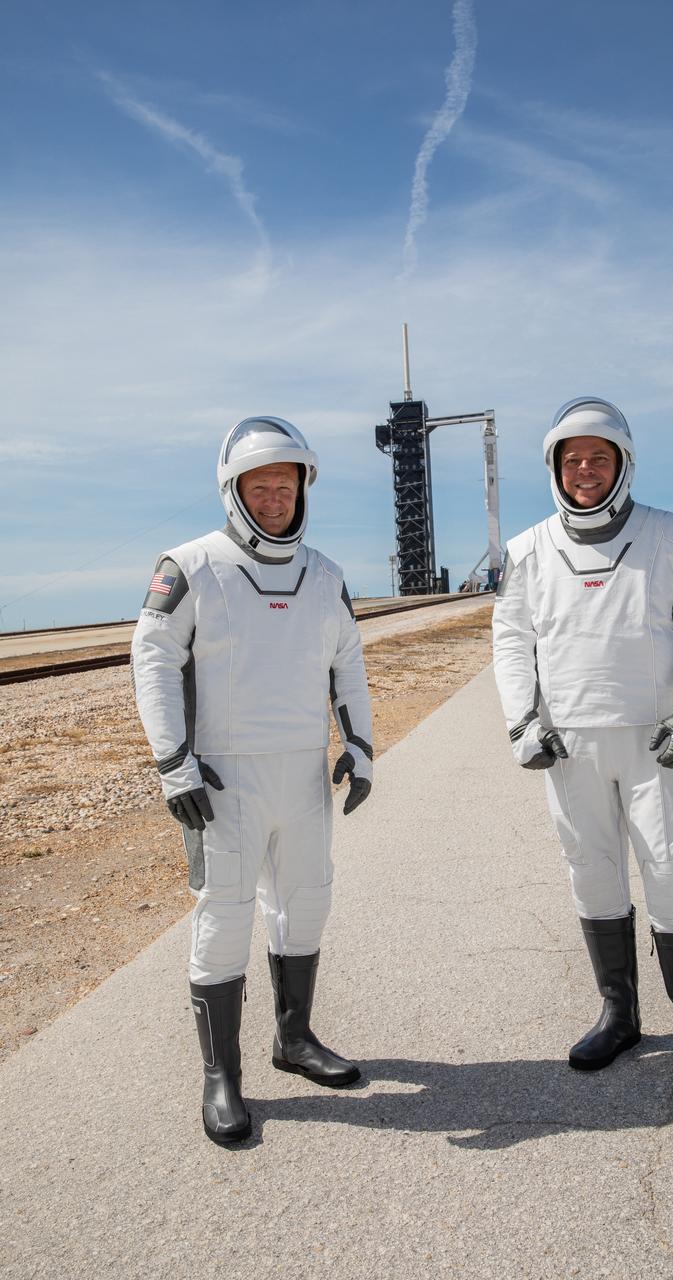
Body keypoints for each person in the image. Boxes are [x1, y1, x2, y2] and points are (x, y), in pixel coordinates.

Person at [131, 416, 373, 1144]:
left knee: (305, 906)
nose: (273, 497)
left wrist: (360, 747)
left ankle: (293, 1040)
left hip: (300, 778)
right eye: (258, 484)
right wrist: (173, 761)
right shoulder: (189, 564)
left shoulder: (325, 575)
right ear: (232, 491)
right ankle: (221, 1076)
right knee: (225, 916)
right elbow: (152, 660)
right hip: (220, 780)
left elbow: (349, 665)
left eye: (285, 483)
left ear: (303, 490)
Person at [492, 398, 673, 1099]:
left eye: (598, 457)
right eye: (572, 460)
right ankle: (619, 1015)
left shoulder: (672, 535)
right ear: (554, 471)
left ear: (622, 464)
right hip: (568, 745)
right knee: (591, 872)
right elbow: (510, 642)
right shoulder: (526, 550)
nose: (585, 470)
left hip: (655, 742)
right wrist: (521, 723)